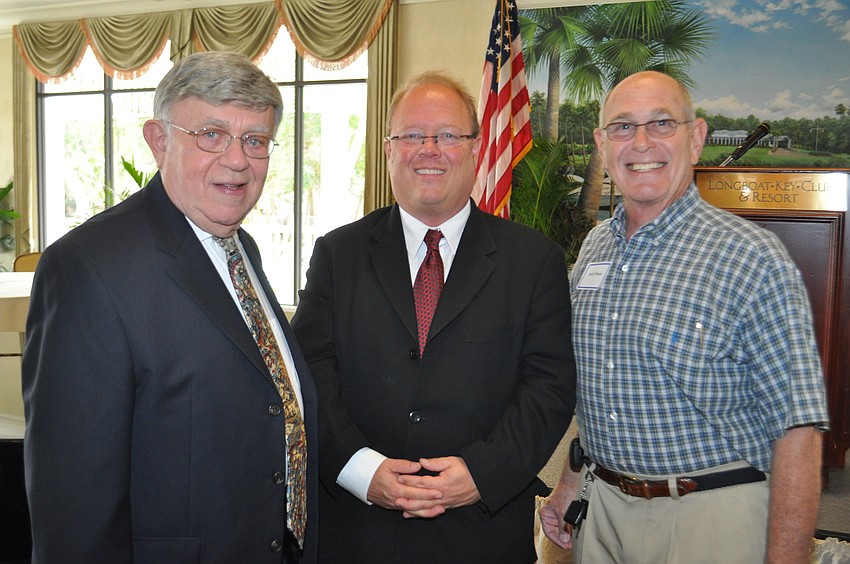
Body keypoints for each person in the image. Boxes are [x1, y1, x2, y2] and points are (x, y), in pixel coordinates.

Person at [23, 51, 318, 563]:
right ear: (158, 141)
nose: (237, 160)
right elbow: (73, 500)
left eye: (255, 140)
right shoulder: (88, 267)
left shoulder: (240, 248)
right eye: (211, 134)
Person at [539, 70, 829, 563]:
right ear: (603, 145)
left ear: (695, 139)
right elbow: (602, 390)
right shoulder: (595, 247)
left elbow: (798, 431)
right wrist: (569, 484)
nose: (641, 142)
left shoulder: (751, 256)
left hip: (709, 515)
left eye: (662, 123)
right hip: (602, 510)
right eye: (623, 126)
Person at [290, 71, 577, 563]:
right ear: (388, 150)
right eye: (411, 135)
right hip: (356, 531)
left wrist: (482, 472)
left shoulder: (533, 261)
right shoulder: (338, 254)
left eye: (447, 135)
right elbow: (310, 372)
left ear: (475, 149)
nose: (429, 149)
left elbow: (549, 387)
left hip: (482, 533)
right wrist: (361, 469)